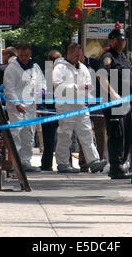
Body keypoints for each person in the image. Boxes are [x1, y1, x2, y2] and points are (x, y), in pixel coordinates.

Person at [52, 43, 107, 173]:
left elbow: (88, 84)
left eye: (80, 55)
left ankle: (93, 161)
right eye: (76, 55)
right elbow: (58, 87)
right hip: (66, 106)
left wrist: (87, 91)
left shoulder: (82, 68)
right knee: (65, 135)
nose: (79, 58)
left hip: (81, 106)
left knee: (87, 133)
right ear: (69, 53)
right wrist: (77, 88)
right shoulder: (59, 68)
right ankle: (63, 163)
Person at [97, 22, 132, 179]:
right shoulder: (108, 57)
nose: (121, 42)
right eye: (118, 39)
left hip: (127, 104)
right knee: (117, 134)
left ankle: (122, 163)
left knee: (129, 133)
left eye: (123, 39)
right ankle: (116, 167)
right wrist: (113, 94)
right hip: (115, 104)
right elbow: (101, 76)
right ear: (111, 41)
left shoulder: (123, 58)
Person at [4, 43, 46, 172]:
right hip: (16, 107)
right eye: (21, 55)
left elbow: (42, 83)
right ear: (18, 54)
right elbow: (9, 89)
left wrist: (40, 96)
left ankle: (25, 161)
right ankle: (14, 162)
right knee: (16, 133)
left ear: (30, 54)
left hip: (31, 105)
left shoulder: (35, 67)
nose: (24, 58)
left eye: (26, 55)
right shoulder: (12, 68)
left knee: (29, 133)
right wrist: (17, 104)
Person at [40, 50, 62, 171]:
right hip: (62, 108)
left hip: (47, 110)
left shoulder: (44, 74)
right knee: (64, 137)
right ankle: (64, 163)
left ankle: (47, 164)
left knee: (48, 139)